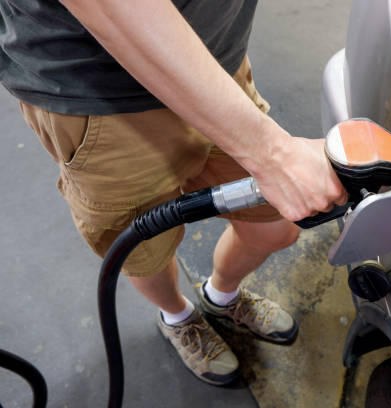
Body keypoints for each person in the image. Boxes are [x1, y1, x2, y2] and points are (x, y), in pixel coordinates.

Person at [0, 0, 347, 385]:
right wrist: (272, 153)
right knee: (146, 250)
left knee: (274, 229)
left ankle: (221, 296)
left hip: (216, 65)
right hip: (100, 98)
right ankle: (177, 316)